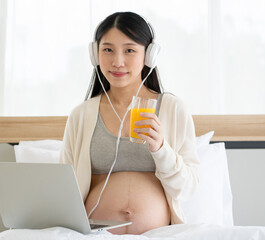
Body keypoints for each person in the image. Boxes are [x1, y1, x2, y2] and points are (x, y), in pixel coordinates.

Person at [60, 12, 199, 235]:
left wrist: (161, 149)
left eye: (129, 50)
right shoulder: (80, 115)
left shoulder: (173, 109)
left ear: (149, 56)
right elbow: (63, 188)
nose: (117, 61)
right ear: (95, 55)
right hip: (95, 236)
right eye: (107, 50)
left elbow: (188, 188)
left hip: (158, 235)